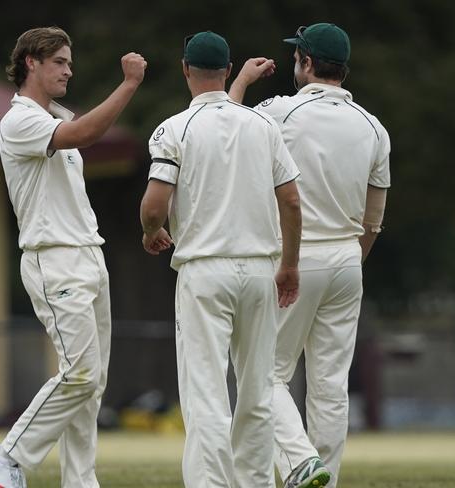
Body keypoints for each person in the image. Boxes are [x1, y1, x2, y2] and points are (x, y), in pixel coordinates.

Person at [0, 27, 146, 488]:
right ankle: (5, 455)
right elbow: (86, 133)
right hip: (53, 260)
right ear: (31, 62)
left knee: (90, 387)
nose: (69, 70)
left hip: (89, 255)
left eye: (69, 62)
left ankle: (80, 482)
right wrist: (128, 84)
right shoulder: (20, 121)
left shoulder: (53, 117)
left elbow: (76, 131)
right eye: (60, 62)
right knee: (82, 373)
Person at [229, 23, 391, 488]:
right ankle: (325, 479)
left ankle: (300, 462)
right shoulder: (373, 127)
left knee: (264, 373)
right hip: (347, 261)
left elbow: (226, 129)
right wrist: (350, 263)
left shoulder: (282, 110)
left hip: (293, 259)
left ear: (305, 62)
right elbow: (374, 220)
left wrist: (240, 82)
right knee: (330, 386)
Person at [140, 31, 302, 488]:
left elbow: (154, 207)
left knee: (207, 395)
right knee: (256, 392)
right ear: (229, 70)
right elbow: (290, 201)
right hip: (259, 271)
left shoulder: (174, 129)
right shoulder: (263, 126)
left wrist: (153, 232)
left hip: (204, 272)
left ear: (185, 70)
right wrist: (289, 264)